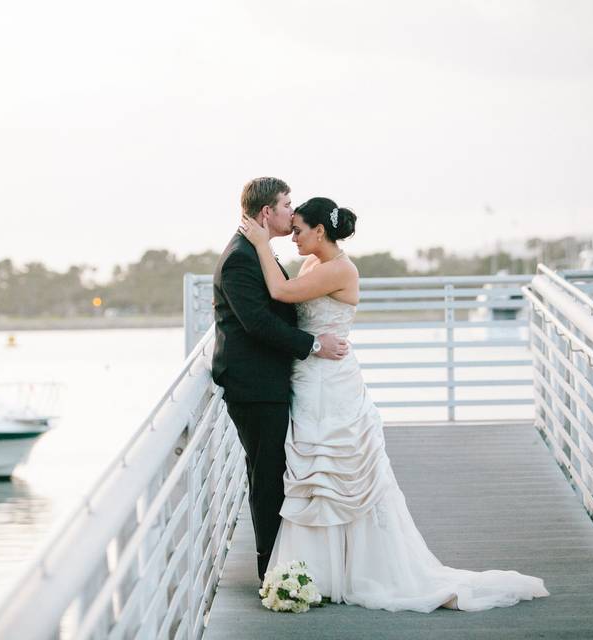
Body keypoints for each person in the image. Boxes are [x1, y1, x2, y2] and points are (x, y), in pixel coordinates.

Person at [238, 196, 549, 612]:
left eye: (297, 230)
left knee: (337, 470)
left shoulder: (340, 269)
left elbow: (279, 291)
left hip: (332, 385)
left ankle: (355, 570)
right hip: (310, 378)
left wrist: (260, 242)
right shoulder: (313, 264)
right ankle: (319, 570)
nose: (292, 237)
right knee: (313, 473)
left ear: (319, 231)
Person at [212, 178, 350, 581]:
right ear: (266, 212)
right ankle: (271, 572)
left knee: (272, 470)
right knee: (267, 474)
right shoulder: (241, 256)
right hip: (253, 385)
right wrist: (313, 346)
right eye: (287, 205)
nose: (293, 213)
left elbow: (279, 302)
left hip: (268, 380)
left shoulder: (258, 250)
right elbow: (256, 323)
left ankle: (279, 564)